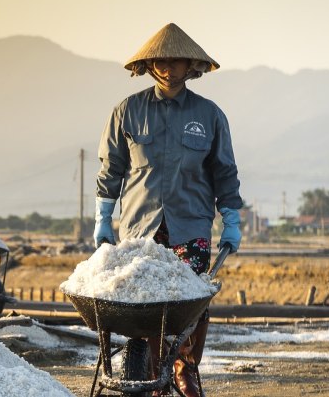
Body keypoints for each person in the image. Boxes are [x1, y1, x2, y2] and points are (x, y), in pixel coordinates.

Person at [93, 23, 243, 397]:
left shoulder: (209, 115)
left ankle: (184, 368)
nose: (167, 68)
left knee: (189, 305)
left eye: (175, 61)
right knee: (143, 305)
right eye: (160, 61)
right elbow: (111, 169)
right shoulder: (127, 111)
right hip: (139, 230)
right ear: (150, 64)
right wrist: (102, 217)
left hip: (190, 225)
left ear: (190, 66)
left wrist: (232, 220)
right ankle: (150, 372)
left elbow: (224, 172)